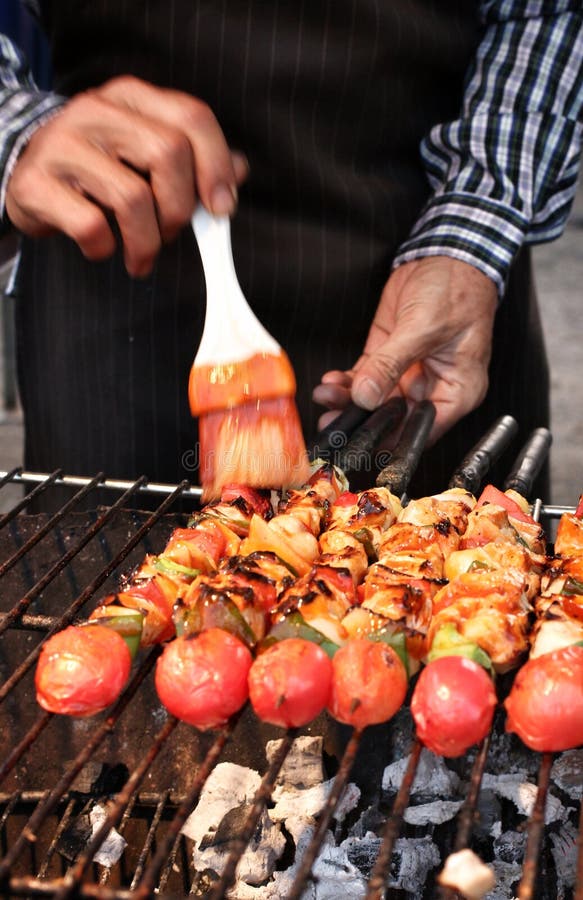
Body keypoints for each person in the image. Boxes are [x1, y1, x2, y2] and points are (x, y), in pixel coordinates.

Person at [0, 1, 582, 502]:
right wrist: (15, 127)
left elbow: (550, 10)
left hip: (434, 299)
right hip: (113, 265)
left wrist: (472, 227)